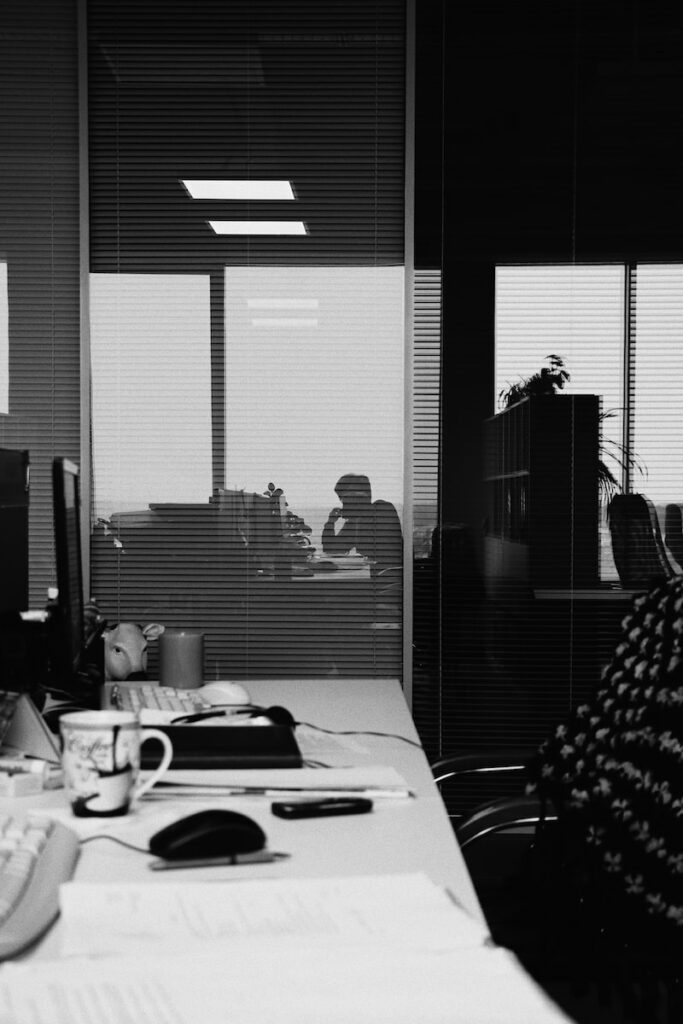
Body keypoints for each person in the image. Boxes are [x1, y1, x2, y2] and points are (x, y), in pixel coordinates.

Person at [321, 474, 402, 576]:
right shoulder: (355, 521)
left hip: (387, 577)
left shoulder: (383, 509)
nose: (342, 504)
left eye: (344, 498)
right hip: (371, 575)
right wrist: (330, 523)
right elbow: (331, 549)